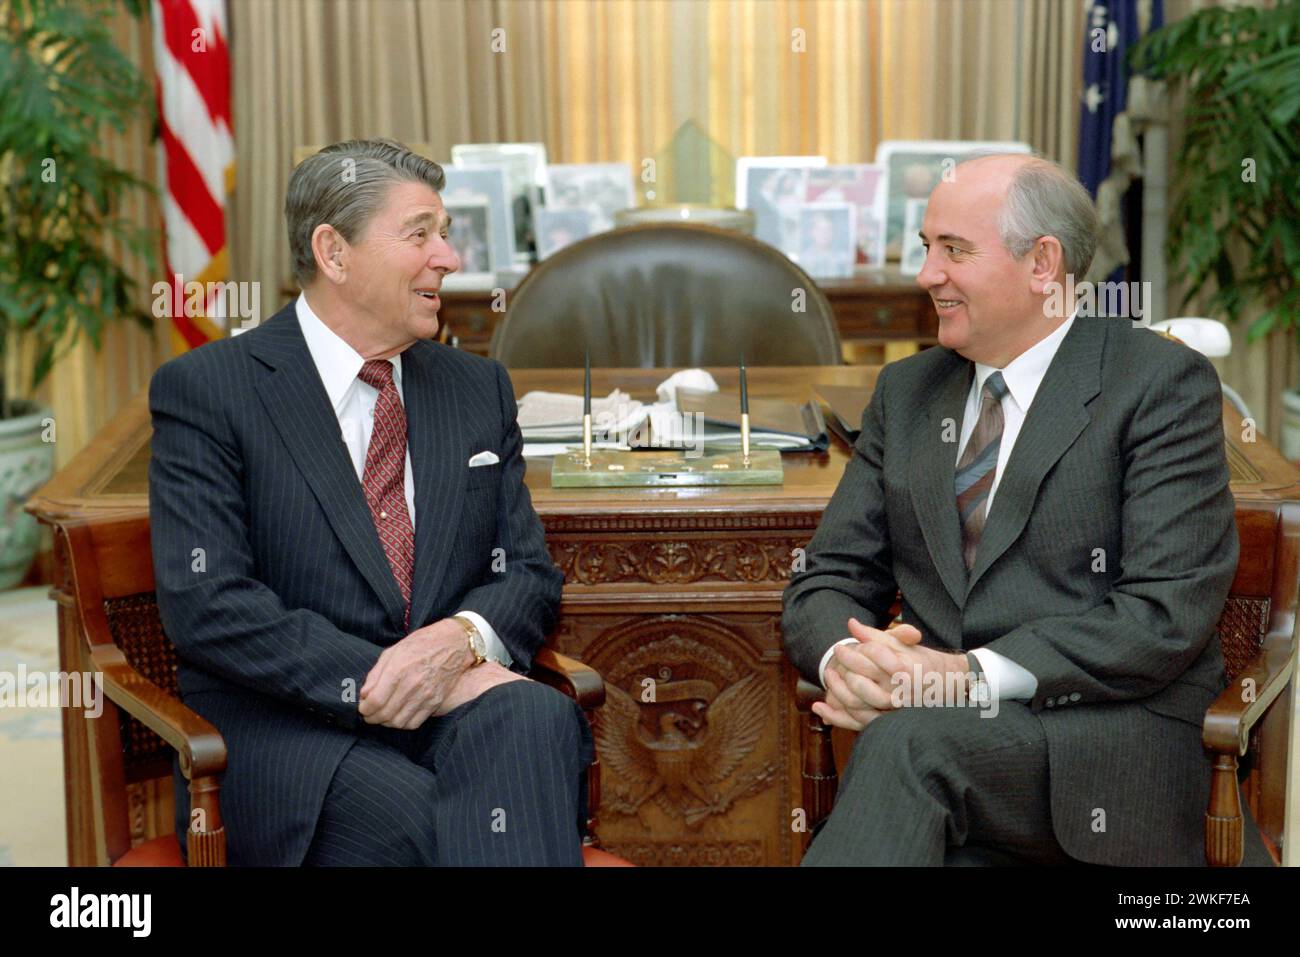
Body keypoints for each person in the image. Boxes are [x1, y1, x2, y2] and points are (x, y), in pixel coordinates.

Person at [782, 153, 1272, 866]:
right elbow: (826, 577)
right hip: (948, 760)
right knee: (913, 746)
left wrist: (966, 676)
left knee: (909, 740)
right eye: (926, 248)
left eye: (953, 250)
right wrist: (848, 664)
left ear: (1043, 263)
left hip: (1102, 742)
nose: (927, 275)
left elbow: (1162, 617)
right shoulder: (908, 392)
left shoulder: (1157, 384)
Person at [149, 138, 590, 866]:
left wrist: (458, 643)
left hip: (451, 697)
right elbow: (209, 603)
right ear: (334, 251)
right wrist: (382, 679)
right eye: (420, 234)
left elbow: (526, 575)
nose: (447, 257)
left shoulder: (476, 389)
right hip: (288, 731)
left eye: (444, 234)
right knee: (427, 825)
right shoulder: (211, 390)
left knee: (539, 718)